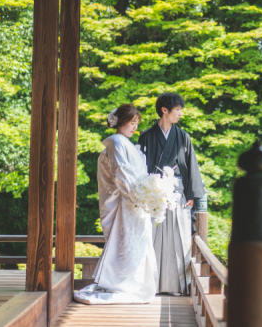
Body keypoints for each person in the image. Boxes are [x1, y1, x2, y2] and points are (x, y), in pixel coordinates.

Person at [74, 104, 158, 305]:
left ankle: (132, 284)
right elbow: (121, 174)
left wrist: (148, 195)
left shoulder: (125, 143)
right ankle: (121, 284)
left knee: (134, 245)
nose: (135, 127)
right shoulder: (117, 143)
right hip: (127, 203)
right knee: (125, 244)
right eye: (132, 122)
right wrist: (138, 197)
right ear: (121, 122)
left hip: (135, 204)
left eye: (136, 123)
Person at [137, 92, 205, 295]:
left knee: (179, 238)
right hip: (152, 195)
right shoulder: (146, 137)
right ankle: (151, 285)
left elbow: (191, 166)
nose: (180, 114)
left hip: (176, 194)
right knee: (152, 238)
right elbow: (140, 168)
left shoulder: (183, 137)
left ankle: (177, 286)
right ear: (164, 110)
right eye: (177, 110)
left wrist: (191, 196)